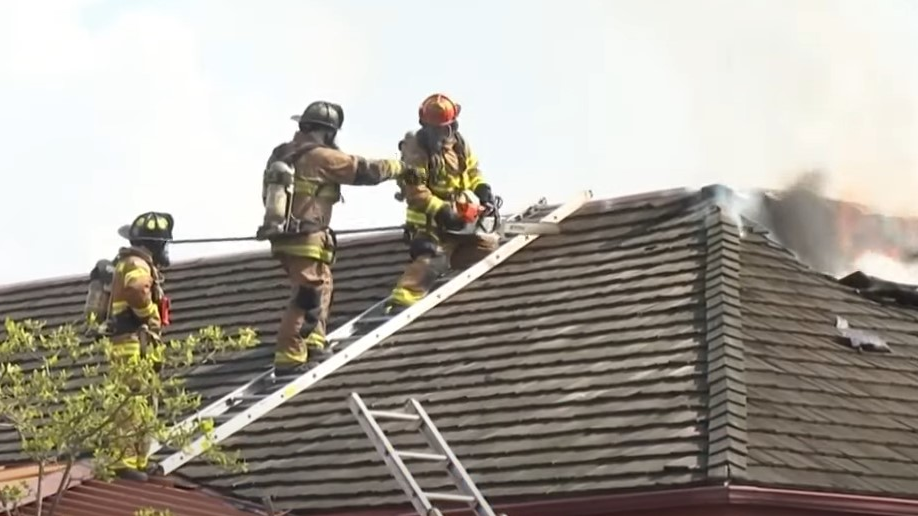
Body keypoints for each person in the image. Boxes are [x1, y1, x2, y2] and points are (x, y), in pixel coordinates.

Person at [258, 100, 413, 375]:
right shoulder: (320, 156)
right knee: (308, 293)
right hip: (305, 235)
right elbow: (363, 169)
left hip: (286, 234)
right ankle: (290, 354)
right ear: (328, 132)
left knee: (322, 284)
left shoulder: (283, 153)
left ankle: (314, 342)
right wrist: (399, 167)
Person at [385, 93, 500, 314]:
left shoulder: (459, 144)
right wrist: (443, 211)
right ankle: (401, 301)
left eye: (447, 127)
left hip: (456, 216)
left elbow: (473, 170)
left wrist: (482, 189)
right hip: (427, 223)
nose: (443, 133)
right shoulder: (416, 150)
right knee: (432, 259)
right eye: (437, 129)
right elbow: (415, 191)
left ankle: (449, 257)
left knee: (487, 247)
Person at [108, 211, 174, 481]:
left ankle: (139, 460)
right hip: (131, 344)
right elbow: (136, 289)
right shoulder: (136, 263)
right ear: (157, 244)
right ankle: (124, 462)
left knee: (146, 402)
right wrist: (149, 313)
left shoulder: (134, 261)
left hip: (140, 344)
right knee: (132, 403)